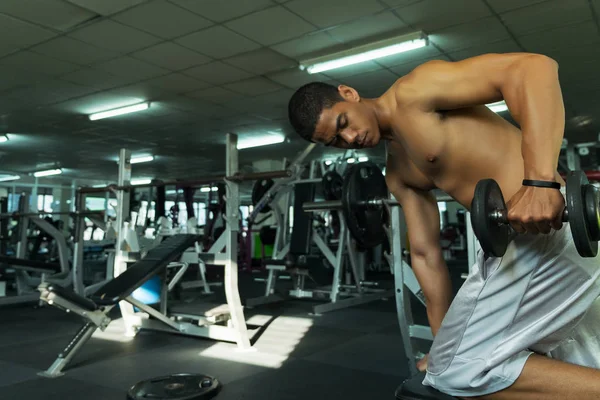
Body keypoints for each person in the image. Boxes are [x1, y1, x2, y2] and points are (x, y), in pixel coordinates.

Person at [287, 52, 600, 399]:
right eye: (335, 141)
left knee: (456, 371)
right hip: (519, 247)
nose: (349, 139)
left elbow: (534, 67)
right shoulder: (399, 174)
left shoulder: (414, 93)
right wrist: (440, 340)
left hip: (549, 233)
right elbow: (425, 255)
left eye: (343, 124)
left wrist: (540, 183)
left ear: (348, 93)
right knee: (568, 350)